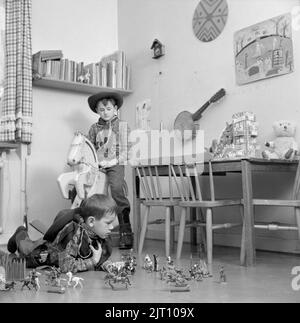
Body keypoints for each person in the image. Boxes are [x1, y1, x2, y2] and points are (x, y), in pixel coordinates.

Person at [7, 194, 116, 273]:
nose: (112, 227)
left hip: (54, 248)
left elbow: (99, 257)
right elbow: (65, 266)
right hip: (43, 252)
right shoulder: (74, 235)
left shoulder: (98, 233)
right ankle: (20, 233)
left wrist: (107, 265)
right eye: (108, 223)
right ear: (91, 221)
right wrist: (92, 261)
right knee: (26, 250)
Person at [87, 92, 133, 249]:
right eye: (101, 109)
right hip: (98, 165)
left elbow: (127, 149)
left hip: (115, 163)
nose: (105, 112)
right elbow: (90, 148)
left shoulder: (122, 126)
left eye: (108, 108)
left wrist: (114, 160)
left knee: (116, 188)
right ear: (97, 111)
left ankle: (125, 232)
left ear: (115, 109)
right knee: (92, 194)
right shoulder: (94, 128)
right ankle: (92, 233)